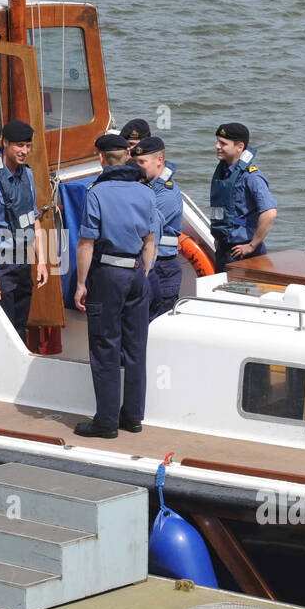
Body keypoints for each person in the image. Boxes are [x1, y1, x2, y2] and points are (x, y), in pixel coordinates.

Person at [72, 133, 160, 439]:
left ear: (101, 158)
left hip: (108, 274)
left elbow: (86, 243)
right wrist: (143, 274)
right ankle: (133, 417)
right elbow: (150, 243)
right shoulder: (146, 192)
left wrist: (81, 283)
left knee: (106, 346)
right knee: (135, 347)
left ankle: (107, 422)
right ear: (127, 156)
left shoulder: (96, 193)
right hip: (137, 273)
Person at [0, 120, 49, 340]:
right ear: (5, 143)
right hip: (0, 265)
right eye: (19, 145)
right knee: (3, 332)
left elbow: (34, 219)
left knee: (20, 328)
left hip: (22, 262)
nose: (24, 151)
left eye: (28, 146)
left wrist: (41, 260)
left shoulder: (27, 175)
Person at [209, 121, 277, 270]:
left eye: (223, 143)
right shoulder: (223, 171)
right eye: (217, 142)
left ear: (240, 147)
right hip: (224, 248)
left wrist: (252, 246)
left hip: (243, 253)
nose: (217, 146)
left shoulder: (251, 177)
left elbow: (270, 213)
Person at [131, 136, 183, 318]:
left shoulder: (166, 196)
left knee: (156, 322)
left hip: (163, 269)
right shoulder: (147, 188)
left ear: (159, 160)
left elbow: (144, 228)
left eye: (142, 162)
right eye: (134, 161)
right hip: (150, 263)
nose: (137, 167)